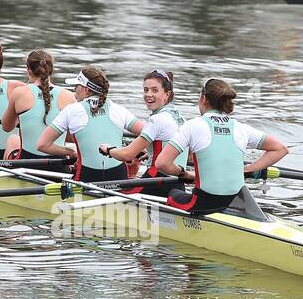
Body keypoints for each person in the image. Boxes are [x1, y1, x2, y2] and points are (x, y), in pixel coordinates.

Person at [155, 79, 289, 216]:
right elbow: (280, 149)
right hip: (236, 201)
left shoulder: (193, 125)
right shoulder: (240, 127)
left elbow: (161, 163)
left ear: (203, 98)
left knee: (173, 194)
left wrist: (184, 174)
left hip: (203, 204)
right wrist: (247, 169)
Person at [34, 67, 144, 183]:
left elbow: (42, 145)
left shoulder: (71, 110)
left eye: (76, 86)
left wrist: (70, 152)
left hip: (87, 179)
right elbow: (149, 133)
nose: (74, 90)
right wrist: (140, 148)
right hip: (119, 179)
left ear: (86, 89)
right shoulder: (118, 109)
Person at [97, 70, 186, 185]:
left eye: (155, 90)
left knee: (108, 188)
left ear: (167, 94)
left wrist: (109, 149)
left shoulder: (157, 120)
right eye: (146, 90)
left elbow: (127, 154)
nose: (148, 94)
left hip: (155, 182)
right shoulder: (181, 118)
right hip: (177, 183)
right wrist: (151, 152)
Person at [2, 49, 74, 160]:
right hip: (59, 166)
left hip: (25, 164)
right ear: (51, 70)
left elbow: (6, 127)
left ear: (29, 70)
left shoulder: (19, 92)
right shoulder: (68, 96)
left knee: (13, 139)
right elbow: (73, 136)